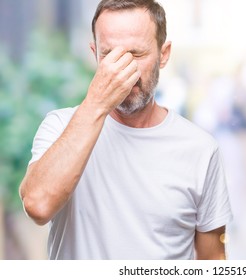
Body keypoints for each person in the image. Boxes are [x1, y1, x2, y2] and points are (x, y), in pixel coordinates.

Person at [19, 0, 232, 260]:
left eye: (136, 54)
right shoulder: (60, 126)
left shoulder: (201, 149)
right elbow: (37, 205)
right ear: (94, 53)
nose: (123, 70)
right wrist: (97, 102)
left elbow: (213, 260)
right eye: (109, 55)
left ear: (163, 54)